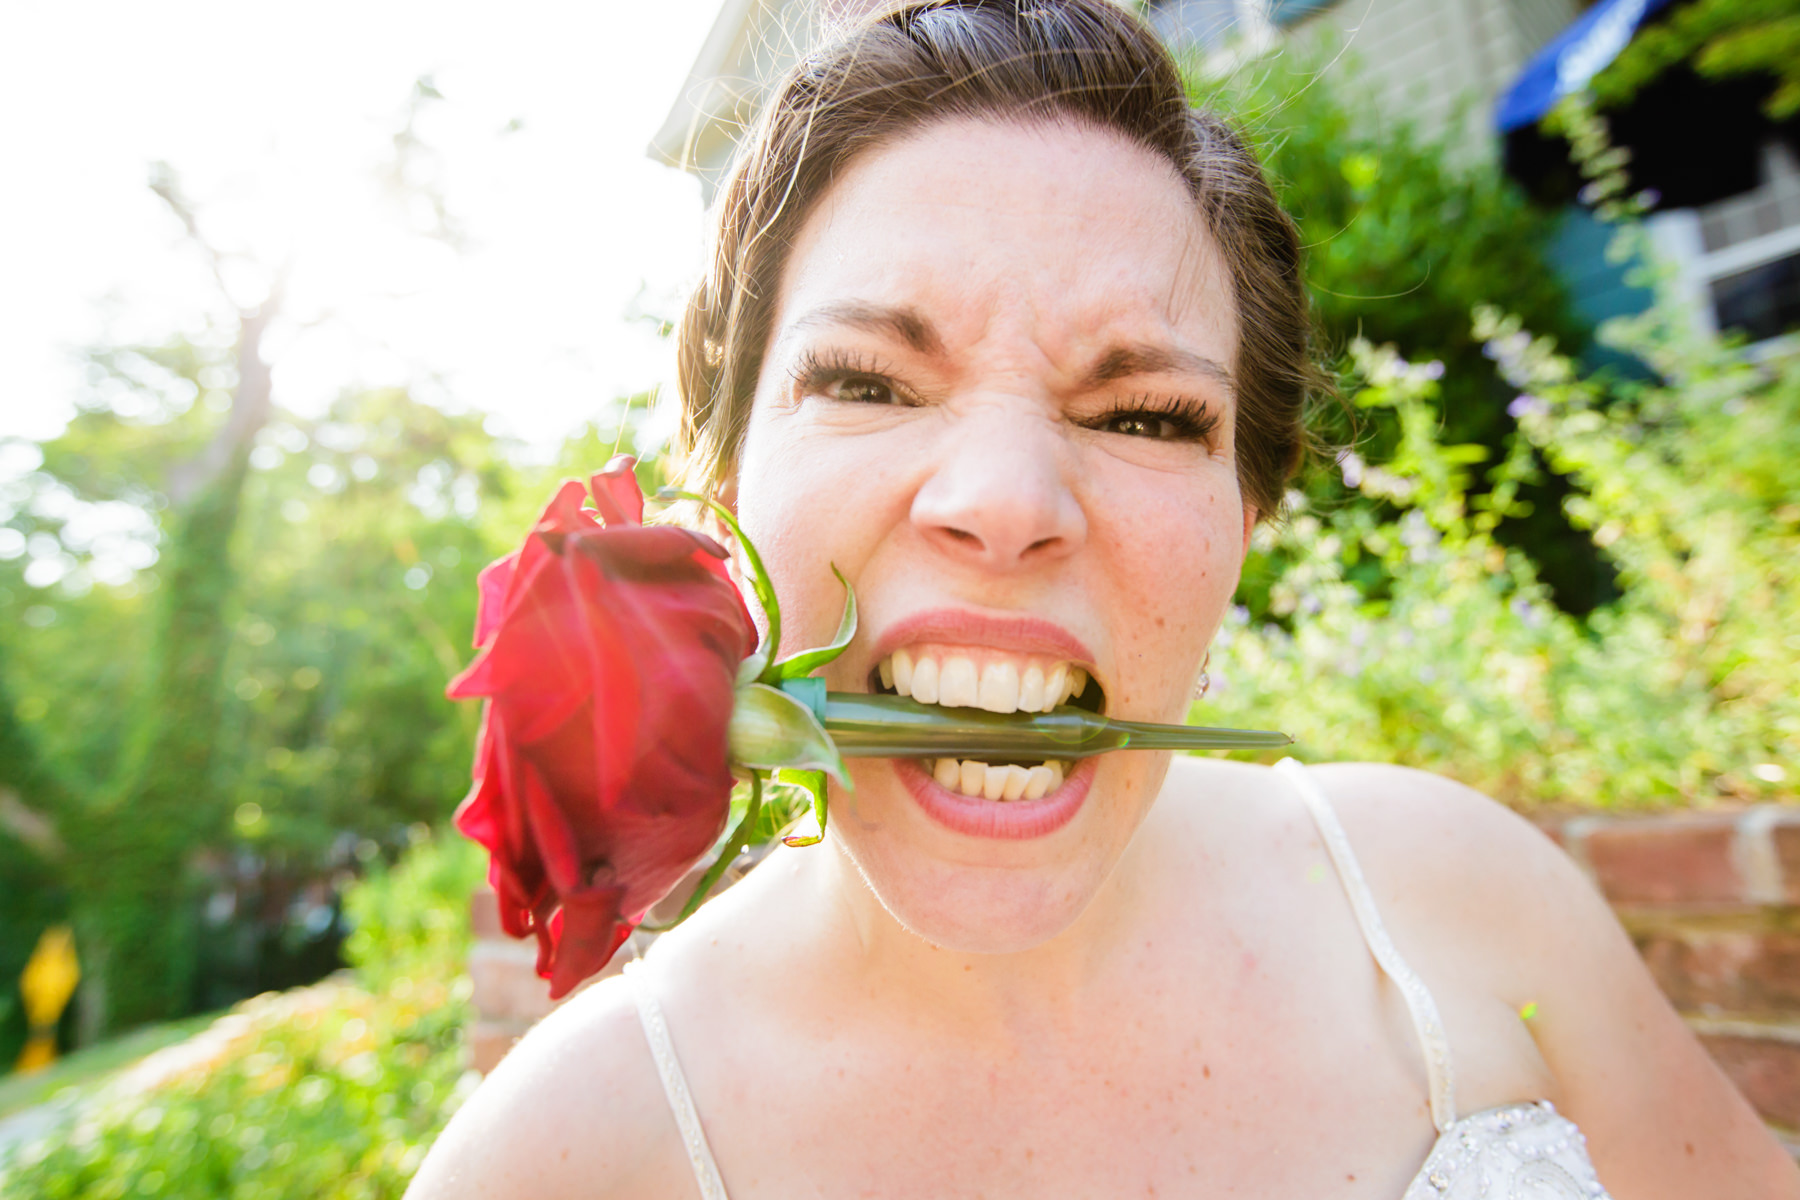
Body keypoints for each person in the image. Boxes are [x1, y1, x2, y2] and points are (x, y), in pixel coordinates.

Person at [408, 2, 1800, 1196]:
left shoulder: (1465, 894)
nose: (1006, 502)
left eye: (1142, 416)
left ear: (1246, 518)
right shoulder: (557, 1161)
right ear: (717, 484)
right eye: (869, 384)